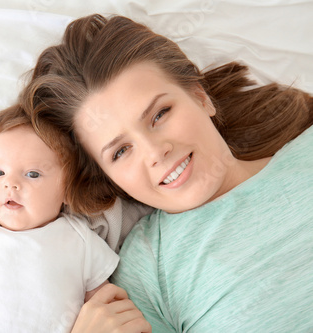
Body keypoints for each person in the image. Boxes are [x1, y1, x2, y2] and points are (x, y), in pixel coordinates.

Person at [20, 14, 313, 332]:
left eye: (160, 114)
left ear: (200, 97)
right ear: (109, 177)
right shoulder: (147, 270)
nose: (155, 151)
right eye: (120, 151)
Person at [0, 104, 151, 332]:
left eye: (32, 174)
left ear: (67, 189)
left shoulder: (79, 240)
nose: (10, 184)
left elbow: (105, 304)